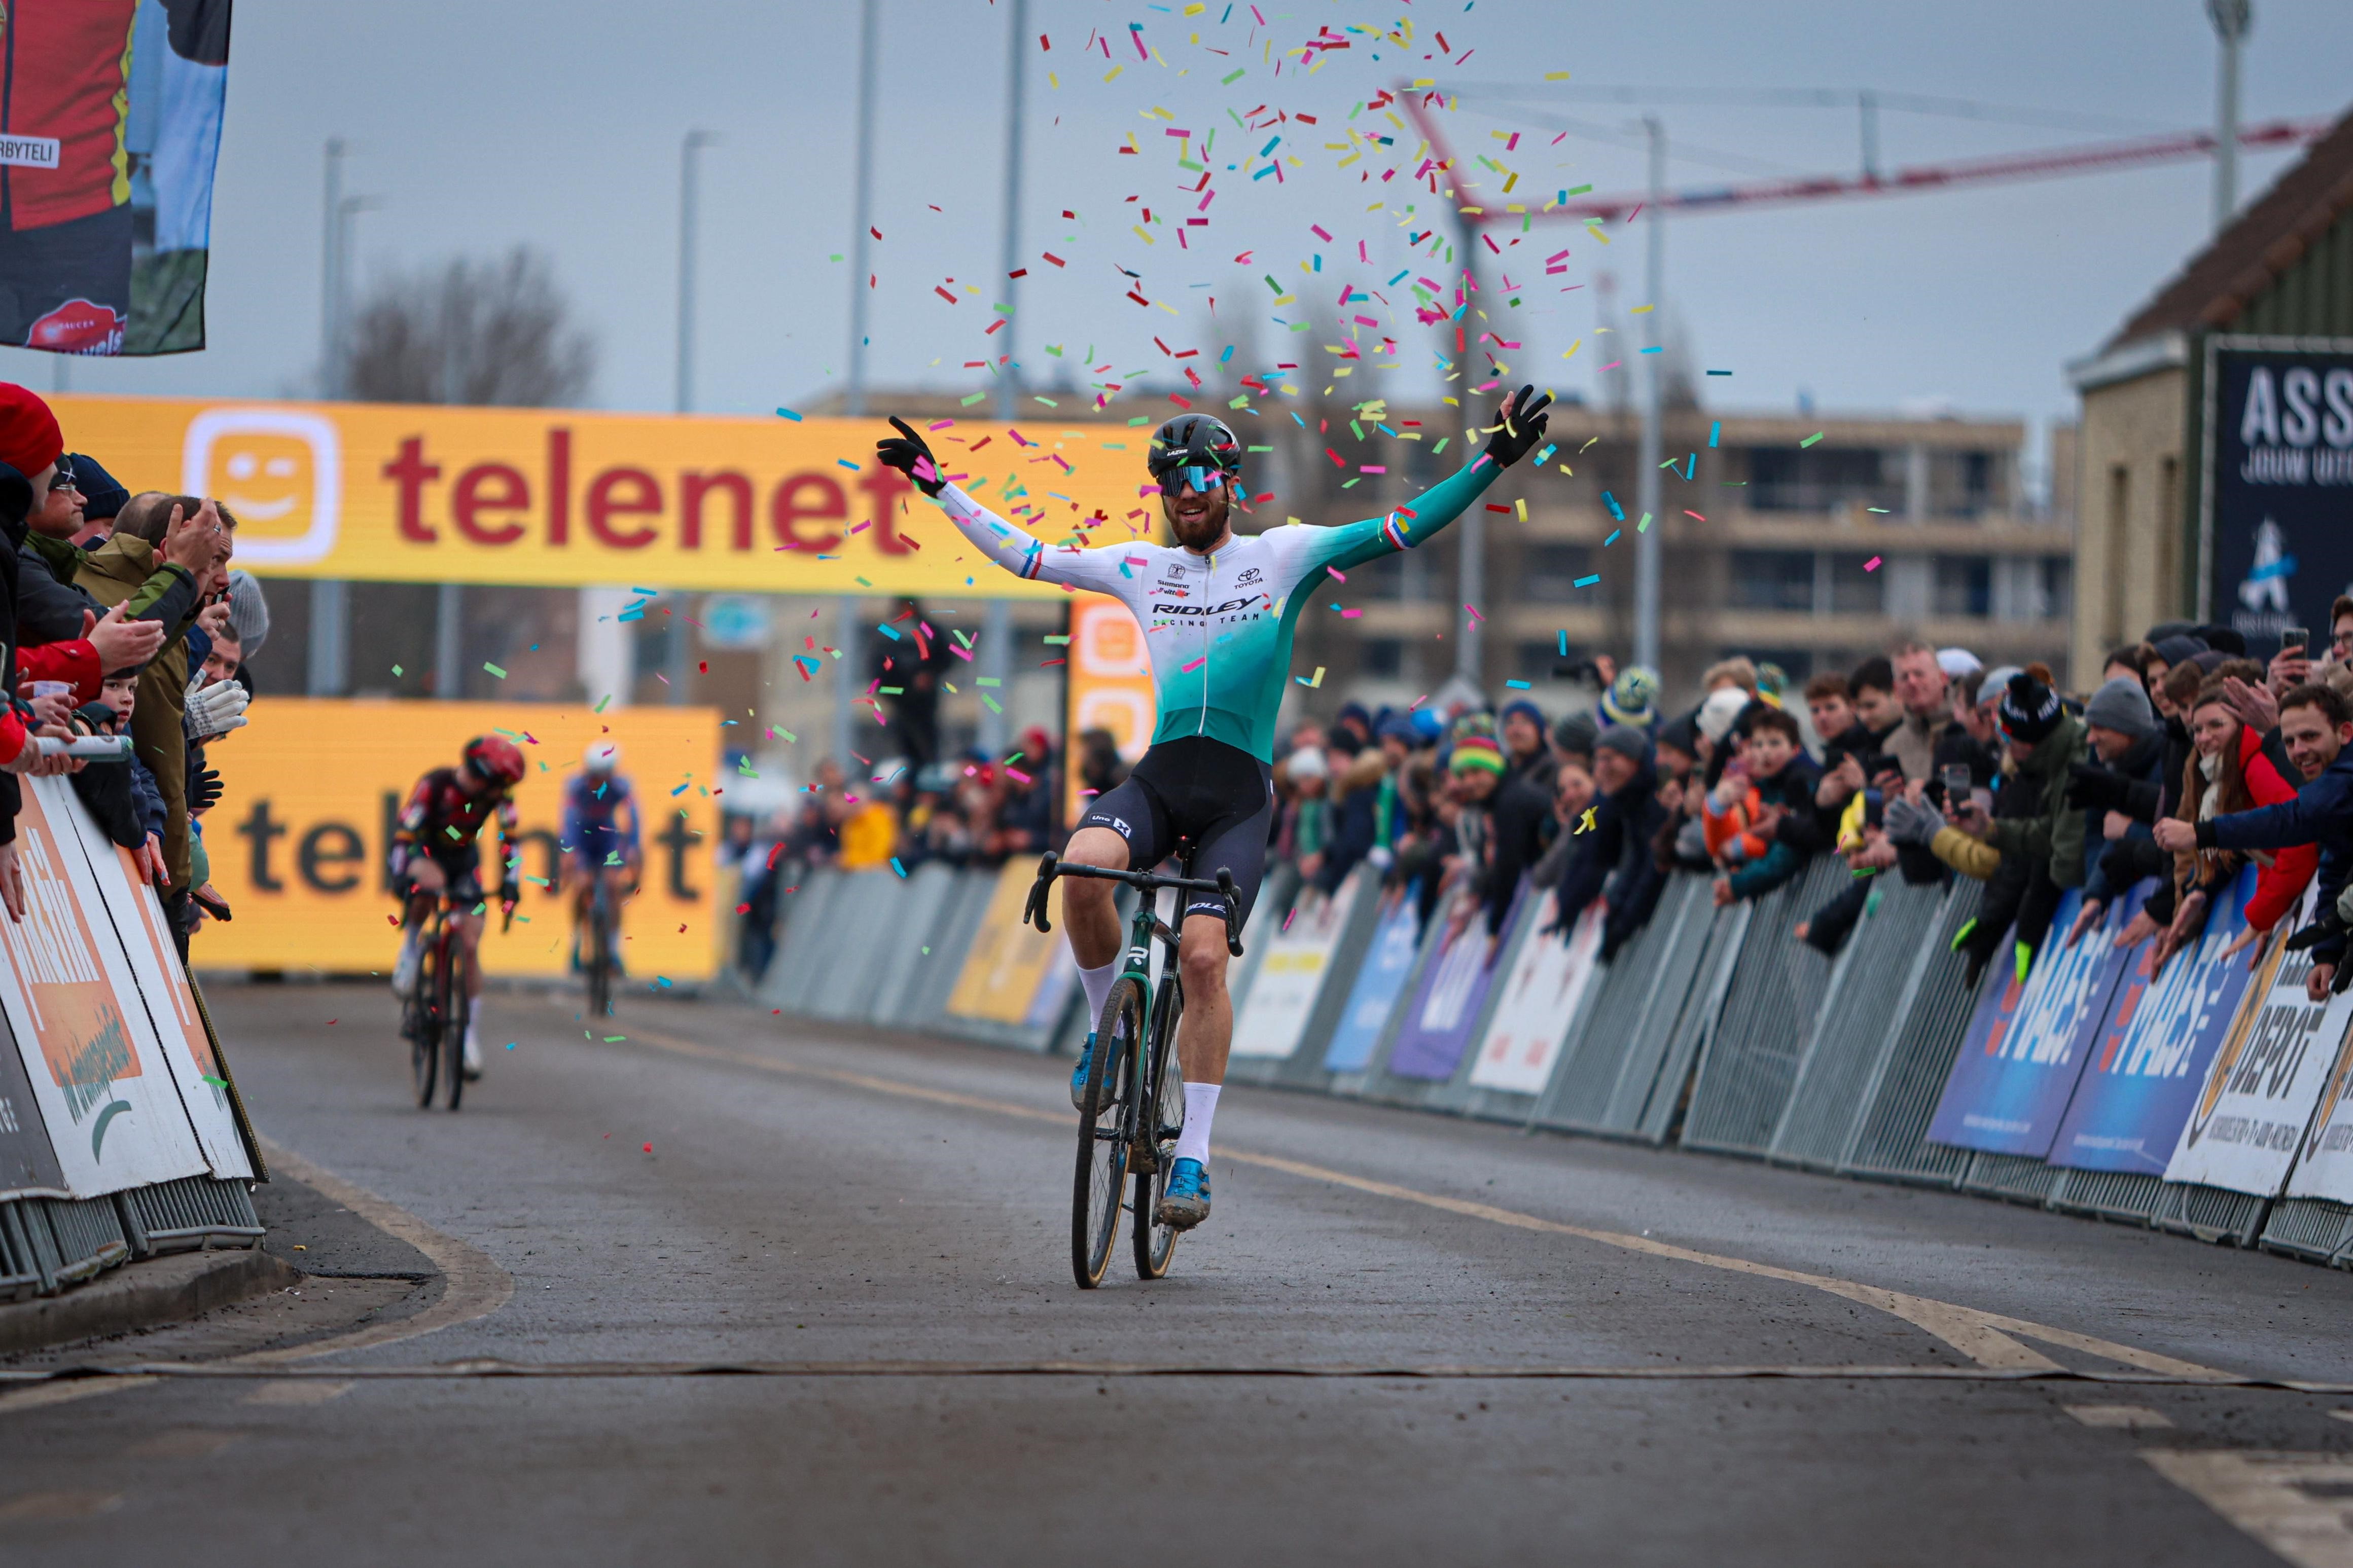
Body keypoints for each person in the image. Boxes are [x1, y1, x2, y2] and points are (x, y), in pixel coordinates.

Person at [875, 385, 1551, 1230]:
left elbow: (1400, 527)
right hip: (1159, 778)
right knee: (1081, 875)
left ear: (1232, 481)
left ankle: (1192, 1152)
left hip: (1238, 795)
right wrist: (940, 486)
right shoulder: (1138, 566)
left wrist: (1494, 459)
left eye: (1202, 473)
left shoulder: (1285, 555)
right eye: (1171, 476)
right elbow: (1027, 557)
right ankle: (1105, 1035)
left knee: (1200, 959)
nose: (1186, 488)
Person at [2157, 683, 2353, 1000]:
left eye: (2310, 737)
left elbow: (2289, 823)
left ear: (2344, 733)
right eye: (2289, 741)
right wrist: (2327, 954)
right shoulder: (2216, 775)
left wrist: (2201, 833)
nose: (2299, 750)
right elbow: (2334, 865)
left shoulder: (2339, 778)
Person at [389, 736, 526, 1080]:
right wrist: (400, 873)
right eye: (499, 784)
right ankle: (410, 948)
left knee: (469, 942)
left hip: (465, 862)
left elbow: (511, 839)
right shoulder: (435, 783)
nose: (502, 791)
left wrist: (512, 881)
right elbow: (405, 832)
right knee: (430, 887)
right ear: (483, 775)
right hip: (428, 853)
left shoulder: (498, 796)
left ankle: (467, 1035)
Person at [562, 742, 642, 976]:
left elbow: (634, 818)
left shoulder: (621, 786)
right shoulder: (576, 786)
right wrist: (569, 851)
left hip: (607, 837)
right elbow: (567, 822)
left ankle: (615, 949)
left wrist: (633, 847)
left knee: (612, 886)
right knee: (582, 886)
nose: (599, 781)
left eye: (604, 775)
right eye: (595, 775)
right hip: (583, 837)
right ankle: (576, 943)